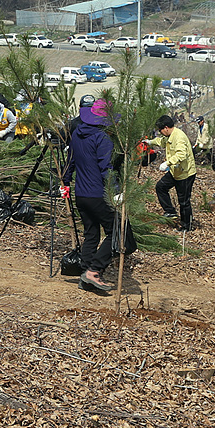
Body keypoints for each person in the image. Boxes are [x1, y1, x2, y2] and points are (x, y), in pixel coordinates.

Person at [68, 96, 118, 293]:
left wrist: (64, 182)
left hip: (81, 193)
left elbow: (70, 163)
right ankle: (94, 271)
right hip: (98, 193)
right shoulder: (102, 138)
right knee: (118, 232)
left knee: (91, 234)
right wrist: (114, 191)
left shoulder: (77, 135)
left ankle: (85, 276)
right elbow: (106, 167)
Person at [147, 114, 197, 232]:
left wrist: (167, 163)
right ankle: (170, 211)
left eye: (160, 130)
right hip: (175, 171)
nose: (160, 132)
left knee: (184, 201)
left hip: (185, 173)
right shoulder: (169, 135)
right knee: (161, 187)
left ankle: (187, 226)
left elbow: (181, 154)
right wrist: (150, 142)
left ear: (166, 128)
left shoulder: (179, 137)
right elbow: (162, 141)